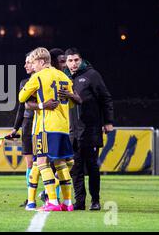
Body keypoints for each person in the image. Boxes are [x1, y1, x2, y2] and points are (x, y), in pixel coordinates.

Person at [19, 47, 75, 212]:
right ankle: (68, 203)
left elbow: (22, 97)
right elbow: (71, 103)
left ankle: (52, 201)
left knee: (42, 163)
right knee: (61, 163)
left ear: (42, 62)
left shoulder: (39, 76)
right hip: (63, 126)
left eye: (34, 62)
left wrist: (37, 96)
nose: (32, 65)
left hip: (45, 127)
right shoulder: (64, 77)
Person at [64, 48, 114, 211]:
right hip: (72, 131)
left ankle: (95, 200)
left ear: (81, 60)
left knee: (92, 167)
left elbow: (105, 98)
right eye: (70, 61)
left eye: (76, 60)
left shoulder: (92, 75)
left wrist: (108, 121)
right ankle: (80, 202)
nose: (73, 64)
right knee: (76, 168)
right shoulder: (64, 78)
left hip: (91, 129)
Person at [6, 53, 58, 207]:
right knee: (31, 164)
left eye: (29, 62)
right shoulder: (25, 82)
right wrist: (16, 128)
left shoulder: (49, 78)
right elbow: (23, 107)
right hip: (29, 125)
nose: (26, 65)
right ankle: (31, 198)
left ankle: (52, 195)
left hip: (47, 123)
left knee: (53, 163)